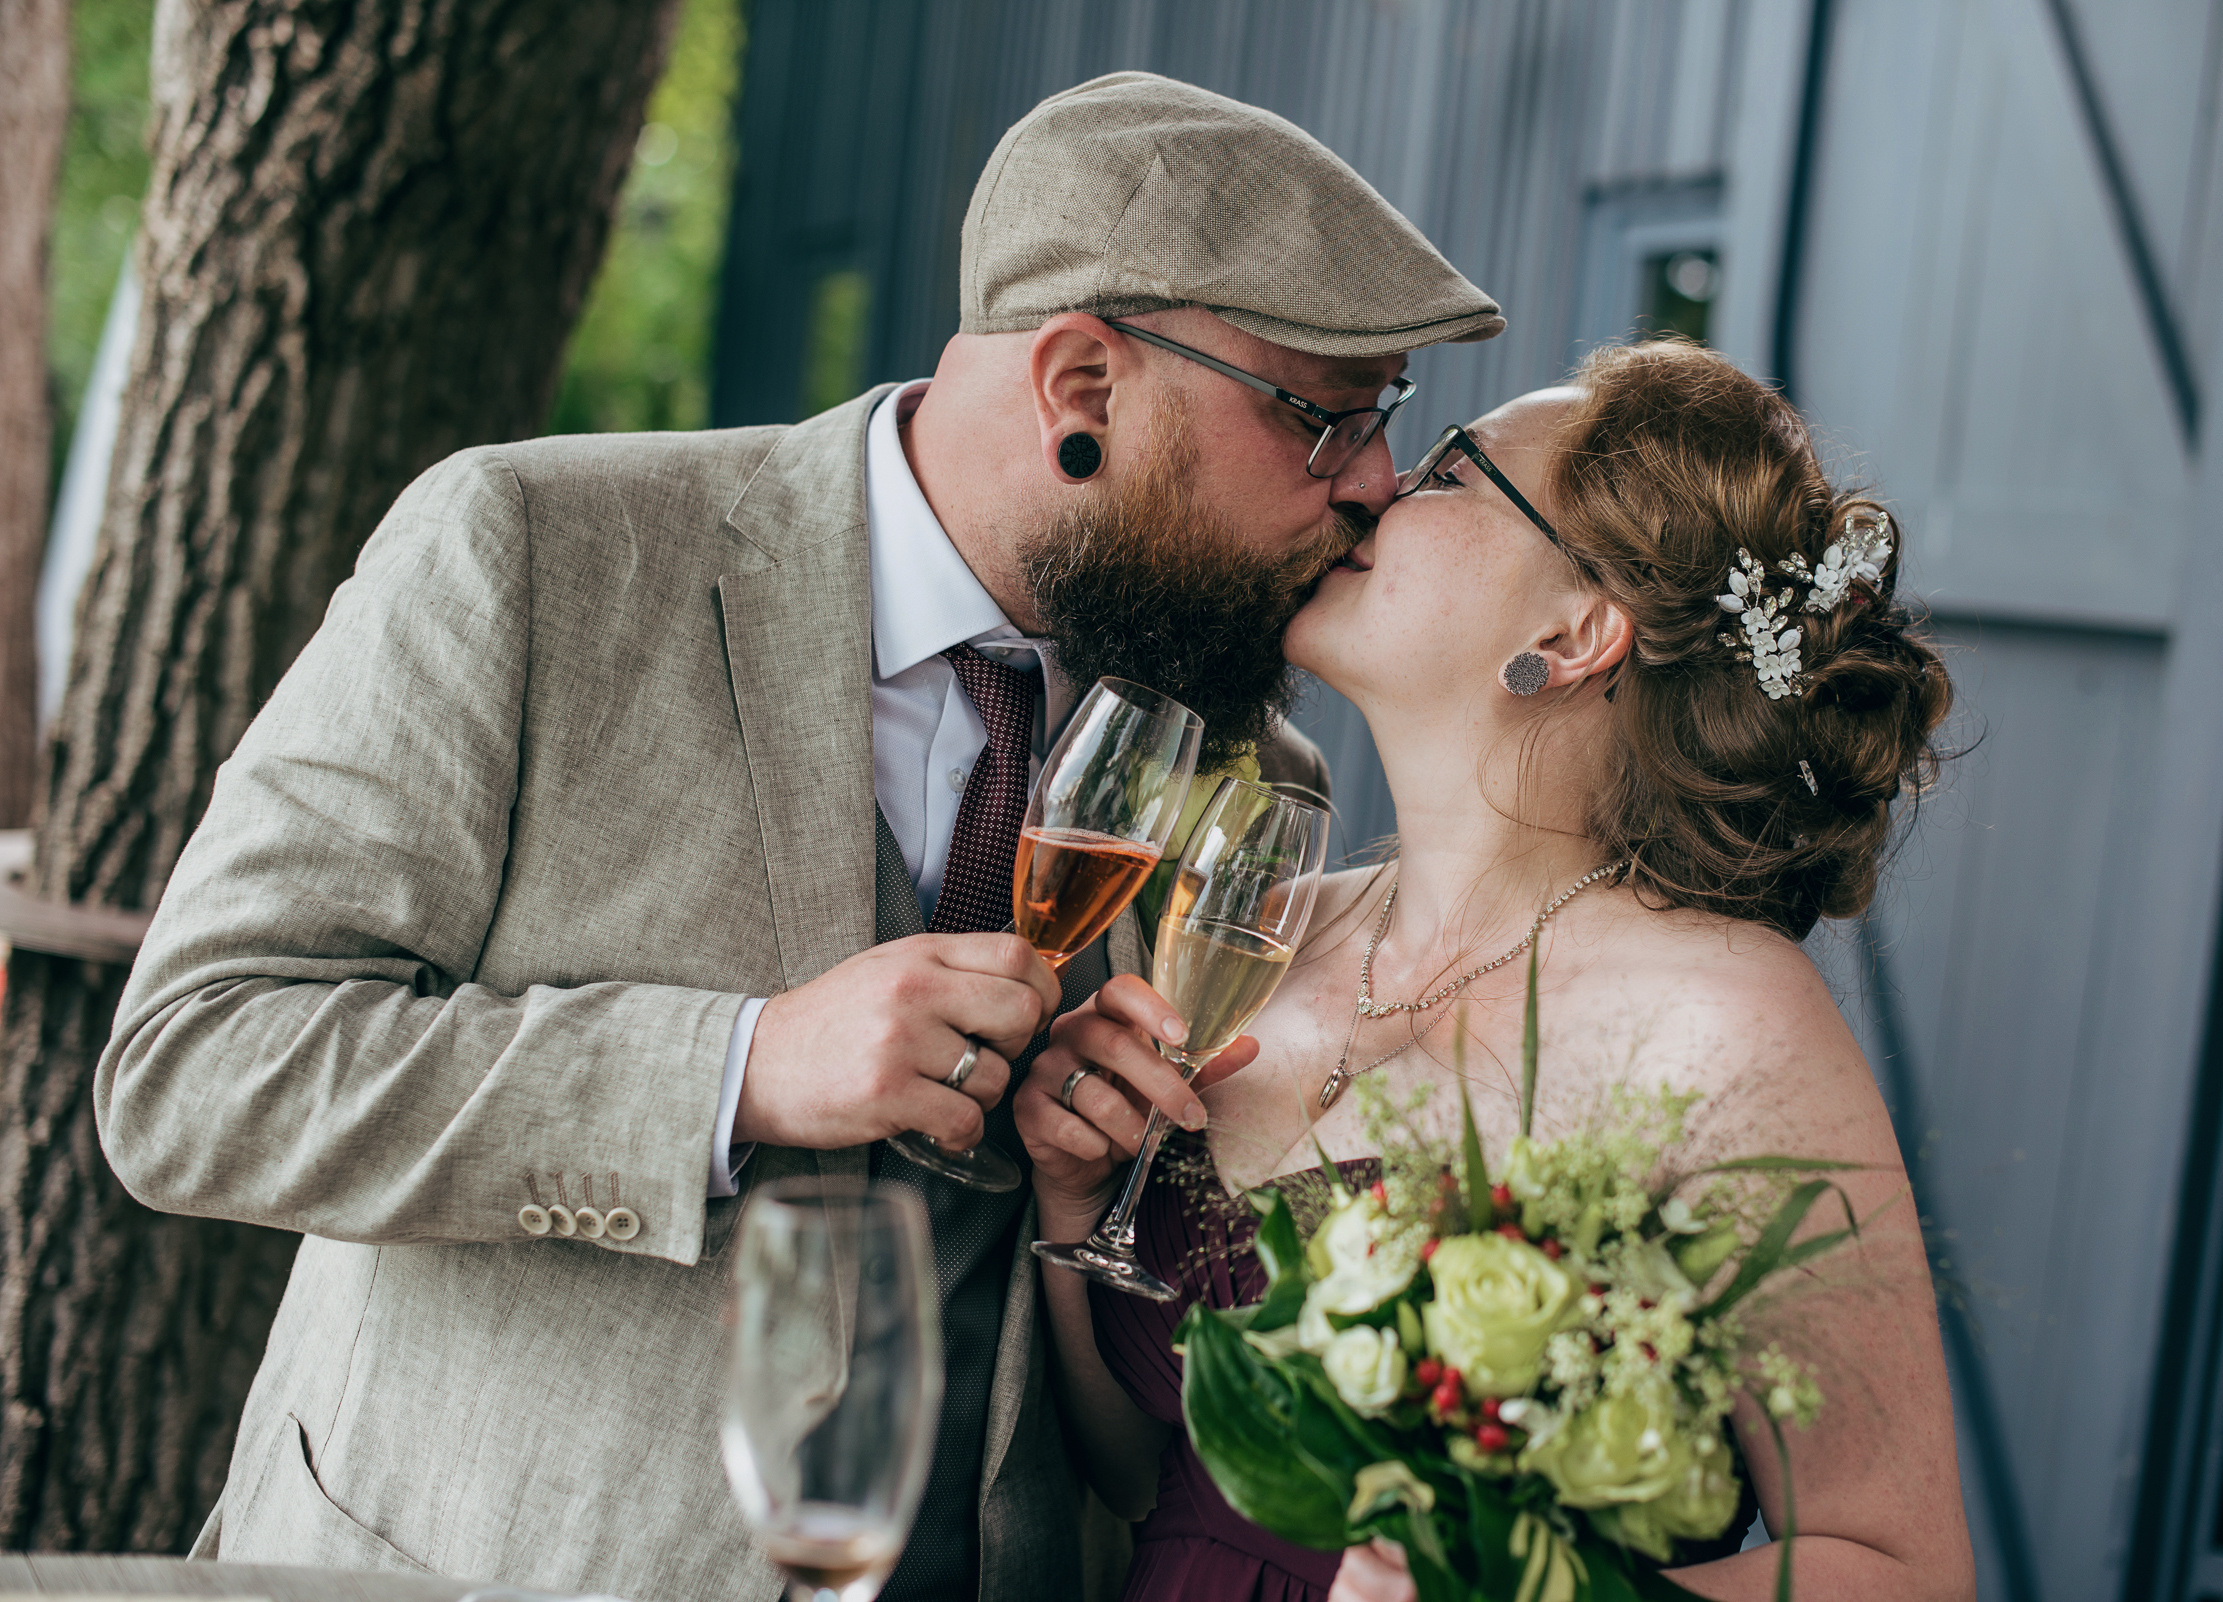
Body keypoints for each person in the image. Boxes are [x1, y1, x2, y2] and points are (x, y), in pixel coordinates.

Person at [93, 73, 1503, 1602]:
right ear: (1082, 386)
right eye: (1322, 416)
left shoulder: (1247, 769)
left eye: (1387, 420)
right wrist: (736, 1063)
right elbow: (191, 1069)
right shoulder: (533, 556)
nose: (1373, 480)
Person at [1018, 339, 1976, 1601]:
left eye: (1456, 472)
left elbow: (1902, 1568)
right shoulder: (1255, 935)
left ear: (1576, 632)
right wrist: (1073, 1202)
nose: (1376, 484)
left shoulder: (1723, 1019)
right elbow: (1143, 1478)